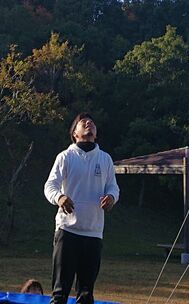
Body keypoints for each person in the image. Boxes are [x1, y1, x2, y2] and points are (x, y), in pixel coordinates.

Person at [44, 112, 119, 304]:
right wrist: (59, 197)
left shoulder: (105, 159)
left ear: (96, 134)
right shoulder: (65, 157)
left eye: (92, 122)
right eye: (83, 122)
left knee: (86, 295)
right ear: (74, 133)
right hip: (67, 230)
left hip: (93, 233)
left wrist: (111, 197)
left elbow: (113, 186)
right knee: (60, 293)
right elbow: (50, 185)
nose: (88, 123)